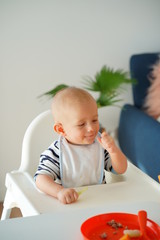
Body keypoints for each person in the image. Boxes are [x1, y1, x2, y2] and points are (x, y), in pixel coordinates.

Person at [34, 87, 127, 204]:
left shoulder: (99, 144)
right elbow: (40, 179)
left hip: (100, 201)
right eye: (81, 124)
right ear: (61, 129)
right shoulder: (57, 151)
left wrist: (113, 151)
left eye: (94, 120)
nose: (91, 128)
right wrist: (59, 192)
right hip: (70, 204)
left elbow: (120, 170)